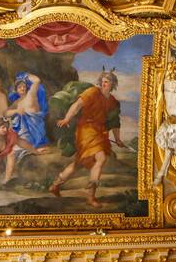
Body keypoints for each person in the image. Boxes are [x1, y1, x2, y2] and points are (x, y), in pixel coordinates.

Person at [50, 71, 125, 208]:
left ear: (113, 83)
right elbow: (77, 105)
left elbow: (114, 122)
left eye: (107, 81)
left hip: (100, 132)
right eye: (102, 80)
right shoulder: (92, 92)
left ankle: (55, 185)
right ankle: (91, 197)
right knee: (100, 158)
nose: (104, 83)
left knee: (78, 163)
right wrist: (67, 118)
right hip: (86, 129)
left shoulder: (113, 101)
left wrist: (118, 139)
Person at [5, 72, 51, 152]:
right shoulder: (17, 102)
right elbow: (5, 113)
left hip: (35, 132)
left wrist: (25, 75)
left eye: (24, 86)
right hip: (24, 132)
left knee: (18, 146)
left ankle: (33, 148)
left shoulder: (31, 94)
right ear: (16, 90)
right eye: (20, 87)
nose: (22, 88)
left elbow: (37, 81)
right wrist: (16, 111)